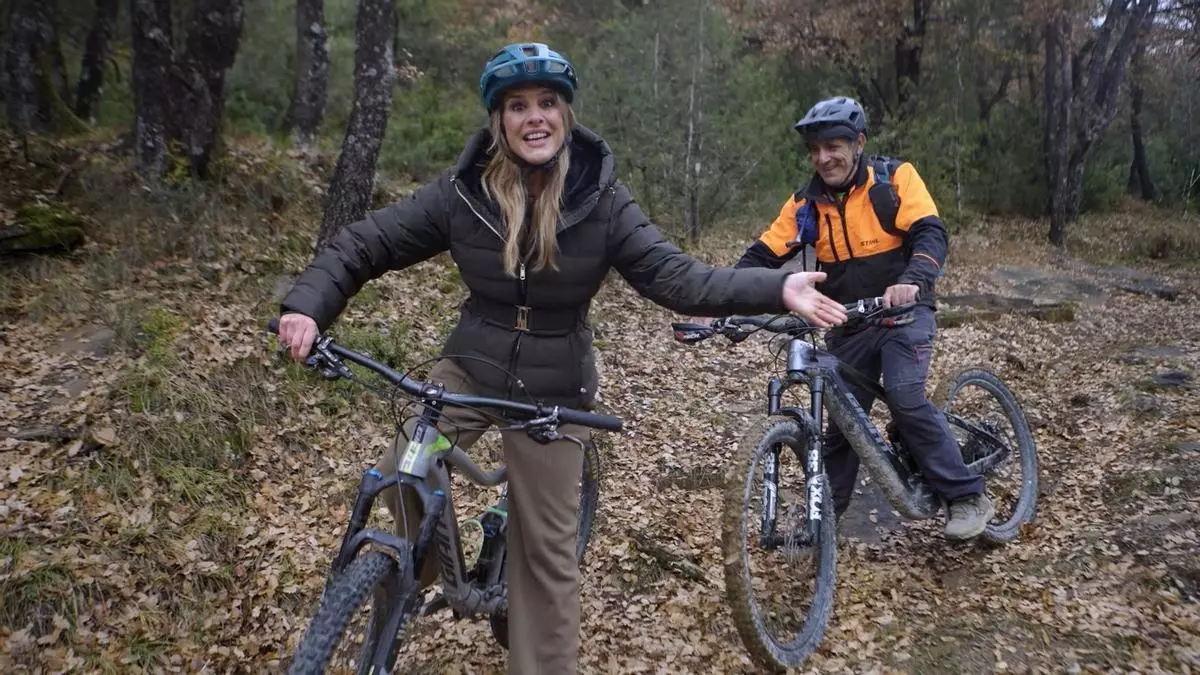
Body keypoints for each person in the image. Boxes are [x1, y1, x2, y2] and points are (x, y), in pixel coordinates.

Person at [275, 43, 847, 673]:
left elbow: (677, 277)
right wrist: (307, 306)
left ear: (565, 113)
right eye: (518, 106)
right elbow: (367, 242)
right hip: (469, 367)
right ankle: (425, 561)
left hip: (553, 390)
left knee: (543, 560)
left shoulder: (601, 198)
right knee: (401, 468)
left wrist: (776, 287)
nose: (535, 117)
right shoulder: (464, 192)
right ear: (499, 120)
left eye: (547, 103)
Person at [730, 95, 993, 540]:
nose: (823, 158)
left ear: (859, 143)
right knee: (843, 425)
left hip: (903, 315)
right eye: (815, 149)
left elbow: (930, 232)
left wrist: (912, 279)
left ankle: (967, 496)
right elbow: (761, 256)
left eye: (833, 146)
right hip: (847, 323)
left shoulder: (893, 180)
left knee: (905, 398)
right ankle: (824, 525)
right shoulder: (806, 205)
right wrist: (720, 301)